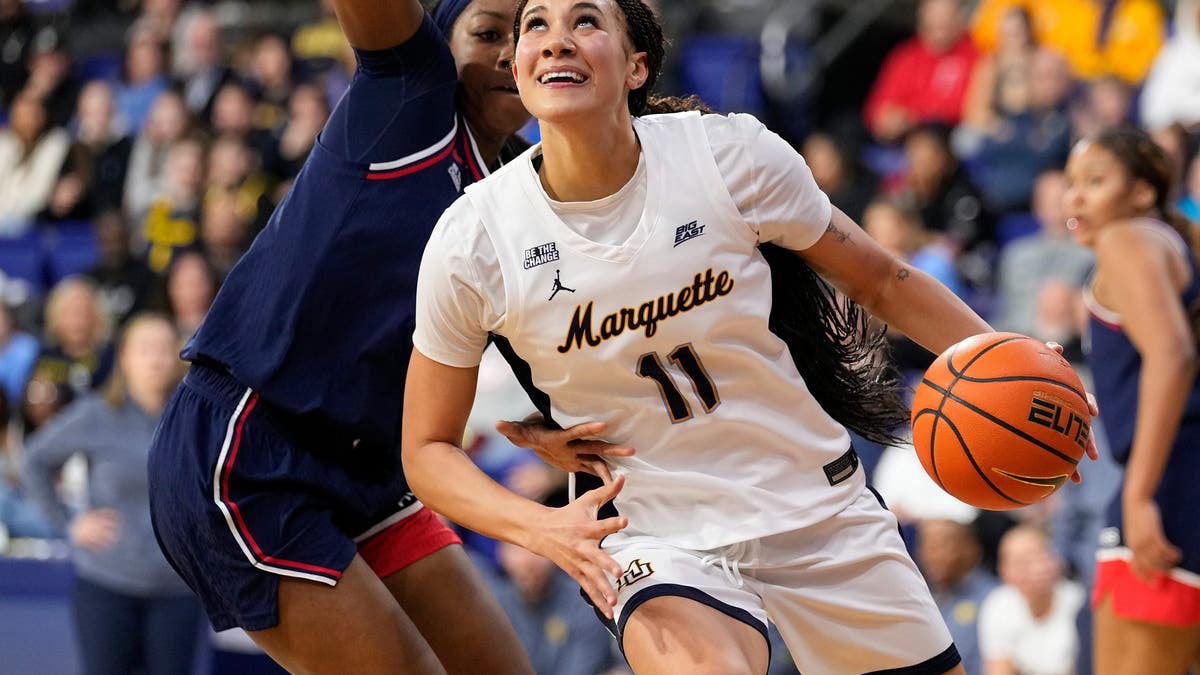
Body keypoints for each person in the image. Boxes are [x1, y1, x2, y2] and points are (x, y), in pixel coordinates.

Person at [403, 1, 1094, 672]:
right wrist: (540, 525)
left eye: (586, 19)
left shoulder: (726, 156)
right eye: (535, 25)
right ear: (517, 67)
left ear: (637, 65)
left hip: (815, 506)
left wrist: (1013, 364)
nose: (555, 39)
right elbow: (427, 448)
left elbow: (881, 281)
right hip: (659, 530)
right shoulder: (474, 240)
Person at [145, 0, 557, 672]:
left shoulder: (527, 192)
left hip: (367, 469)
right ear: (439, 44)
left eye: (534, 31)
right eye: (488, 33)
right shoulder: (411, 92)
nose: (515, 53)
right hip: (249, 447)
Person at [1067, 126, 1200, 673]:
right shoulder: (1170, 245)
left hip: (1171, 486)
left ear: (1142, 192)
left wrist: (1141, 496)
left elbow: (1172, 357)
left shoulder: (1127, 238)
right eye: (1072, 182)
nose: (1076, 196)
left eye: (1096, 181)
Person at [23, 313, 203, 675]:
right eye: (145, 349)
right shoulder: (96, 413)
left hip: (178, 587)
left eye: (165, 349)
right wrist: (70, 523)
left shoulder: (196, 419)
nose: (156, 359)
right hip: (107, 583)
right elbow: (33, 461)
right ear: (124, 358)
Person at [863, 0, 979, 143]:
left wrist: (915, 117)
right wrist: (888, 119)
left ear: (961, 20)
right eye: (933, 22)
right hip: (900, 136)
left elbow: (968, 108)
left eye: (944, 21)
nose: (938, 27)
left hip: (944, 136)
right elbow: (878, 106)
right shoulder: (906, 55)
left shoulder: (975, 55)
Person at [978, 525, 1085, 675]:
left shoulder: (1079, 603)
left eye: (1041, 556)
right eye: (1021, 563)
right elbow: (998, 669)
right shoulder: (997, 604)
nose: (1036, 569)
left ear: (1057, 561)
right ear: (1003, 570)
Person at [917, 518, 1000, 675]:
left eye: (942, 545)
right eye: (926, 545)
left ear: (972, 549)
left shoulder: (995, 598)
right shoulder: (928, 597)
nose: (930, 555)